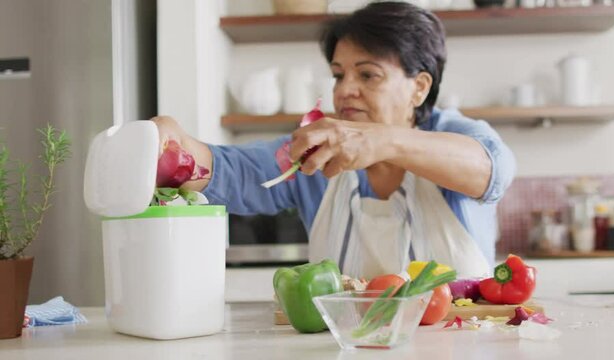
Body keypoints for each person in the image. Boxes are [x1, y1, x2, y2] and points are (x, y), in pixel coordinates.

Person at [153, 1, 515, 279]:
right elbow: (235, 172)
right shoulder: (320, 149)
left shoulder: (458, 136)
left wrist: (383, 142)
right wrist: (175, 149)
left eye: (368, 75)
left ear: (419, 87)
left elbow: (491, 170)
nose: (345, 91)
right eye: (338, 75)